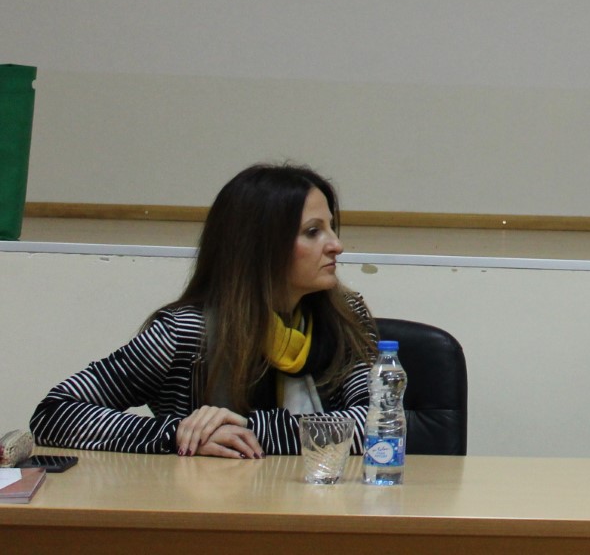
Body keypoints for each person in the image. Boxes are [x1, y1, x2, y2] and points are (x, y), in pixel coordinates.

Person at [32, 163, 377, 457]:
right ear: (259, 247)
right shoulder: (185, 332)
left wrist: (250, 429)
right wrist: (178, 434)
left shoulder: (346, 318)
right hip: (206, 507)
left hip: (321, 506)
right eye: (313, 232)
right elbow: (55, 414)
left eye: (331, 228)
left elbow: (381, 424)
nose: (336, 245)